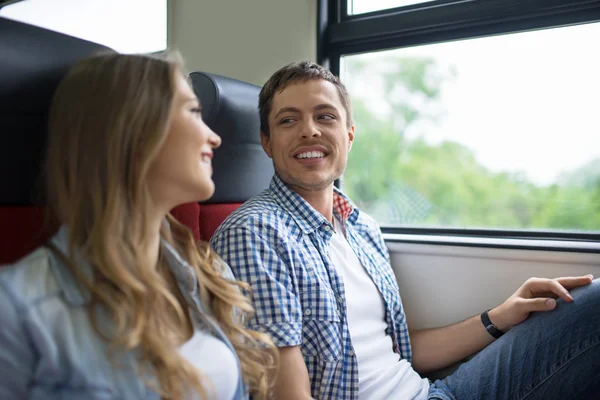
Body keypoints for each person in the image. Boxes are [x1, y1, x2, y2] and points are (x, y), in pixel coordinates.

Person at [210, 60, 600, 400]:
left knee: (589, 303)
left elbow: (397, 350)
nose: (309, 131)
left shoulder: (361, 228)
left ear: (349, 135)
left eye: (325, 116)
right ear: (266, 141)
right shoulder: (255, 233)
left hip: (434, 390)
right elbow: (287, 396)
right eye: (288, 120)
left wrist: (499, 316)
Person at [0, 52, 278, 400]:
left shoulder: (209, 274)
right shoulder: (18, 308)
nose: (215, 137)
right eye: (194, 112)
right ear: (133, 129)